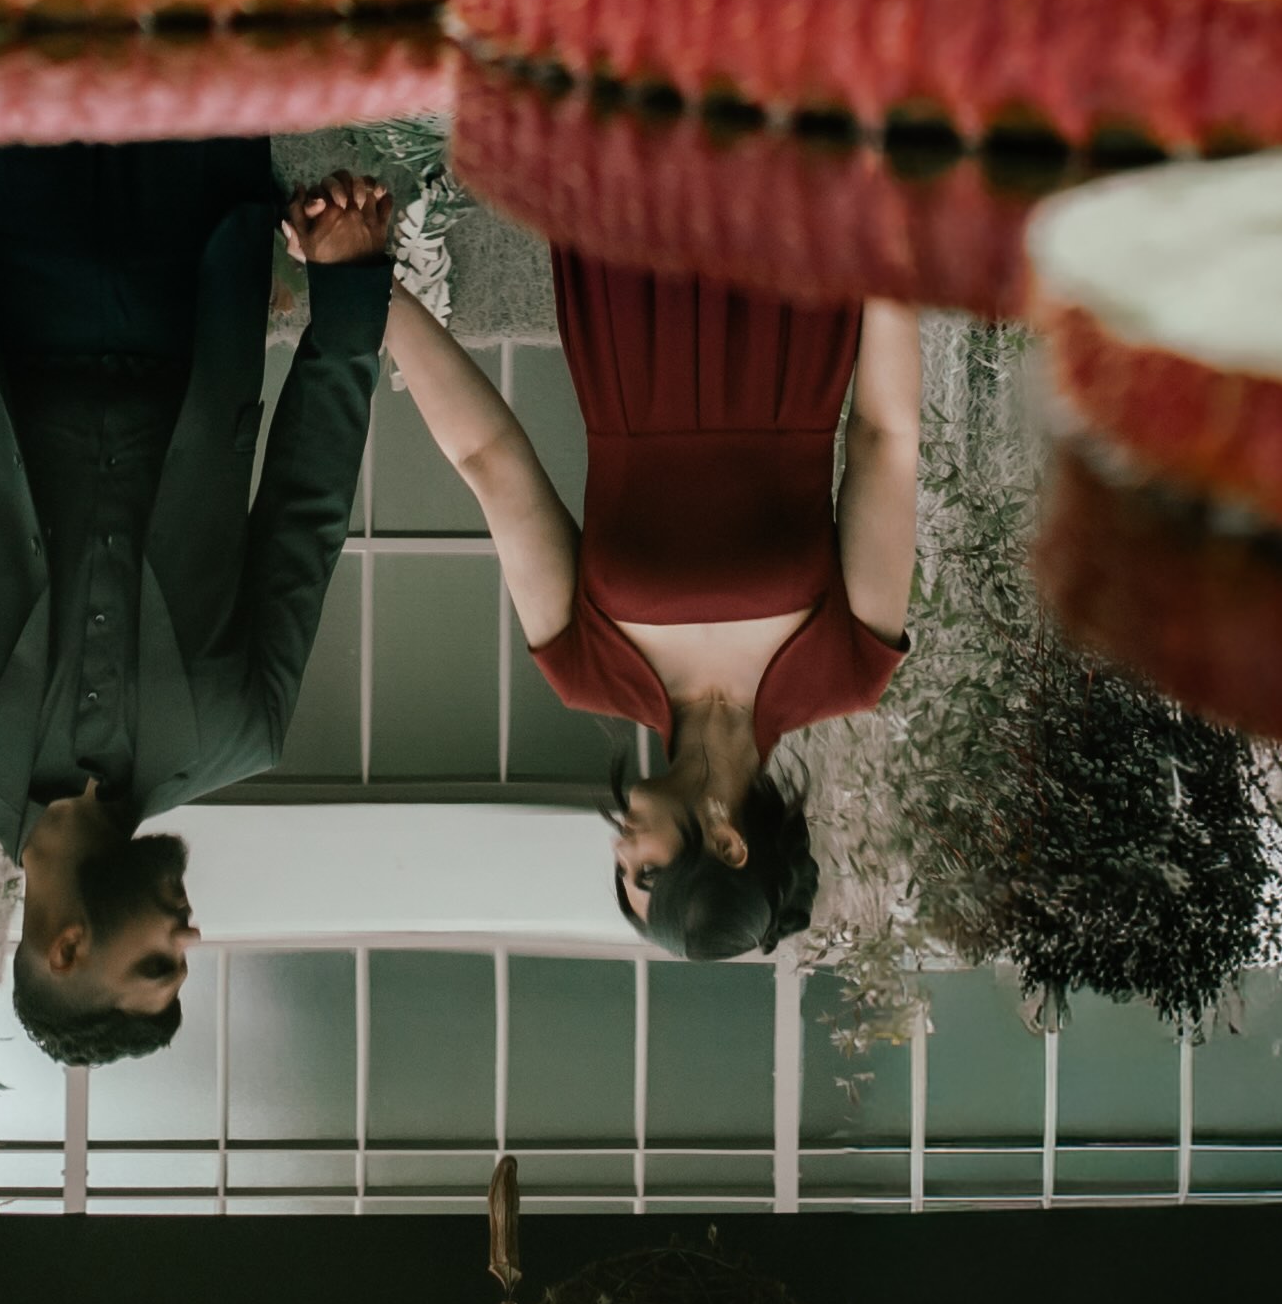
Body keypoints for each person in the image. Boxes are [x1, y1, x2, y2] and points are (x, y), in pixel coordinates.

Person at [0, 151, 405, 1065]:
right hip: (195, 258)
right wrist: (351, 295)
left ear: (70, 946)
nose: (188, 941)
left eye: (158, 966)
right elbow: (304, 515)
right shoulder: (241, 731)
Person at [380, 251, 927, 959]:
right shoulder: (849, 670)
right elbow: (885, 439)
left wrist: (373, 288)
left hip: (625, 312)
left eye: (620, 871)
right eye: (645, 870)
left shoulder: (582, 670)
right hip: (793, 306)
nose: (619, 845)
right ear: (728, 843)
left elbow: (490, 458)